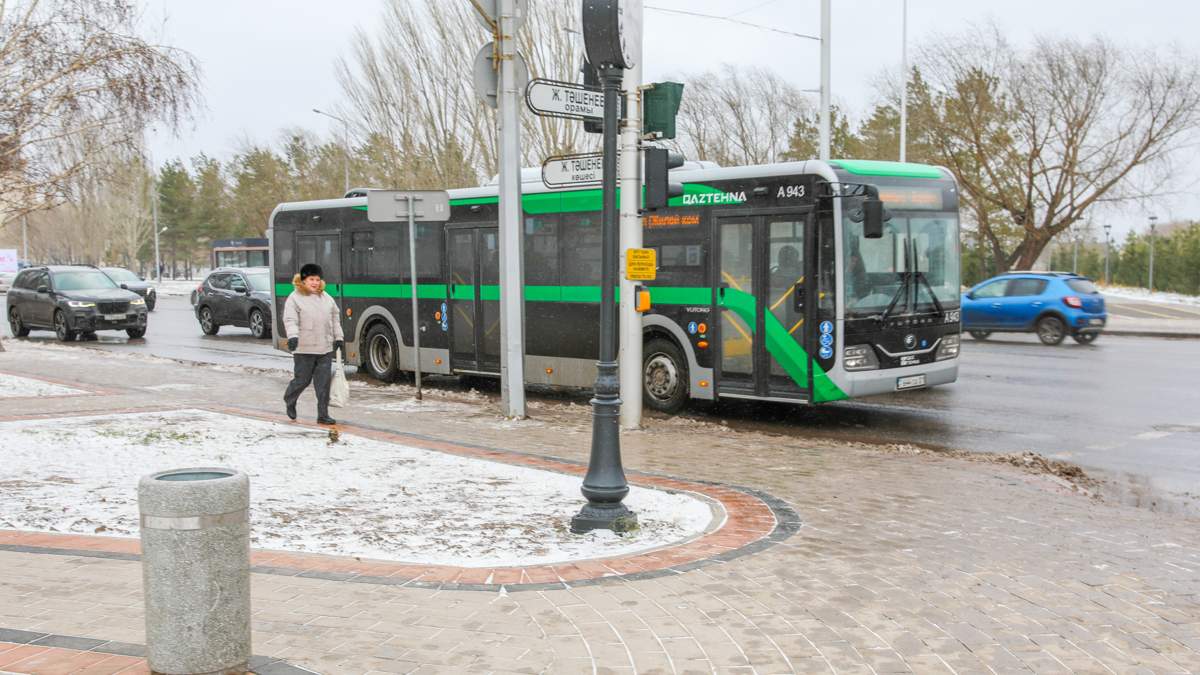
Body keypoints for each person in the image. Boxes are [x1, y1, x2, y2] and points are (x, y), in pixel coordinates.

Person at [283, 263, 344, 425]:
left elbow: (335, 319)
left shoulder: (327, 298)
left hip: (324, 348)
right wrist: (293, 337)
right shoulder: (294, 298)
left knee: (323, 384)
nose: (315, 283)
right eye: (311, 279)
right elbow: (290, 320)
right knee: (302, 380)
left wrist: (339, 338)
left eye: (317, 279)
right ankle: (290, 399)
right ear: (303, 280)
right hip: (304, 347)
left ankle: (323, 415)